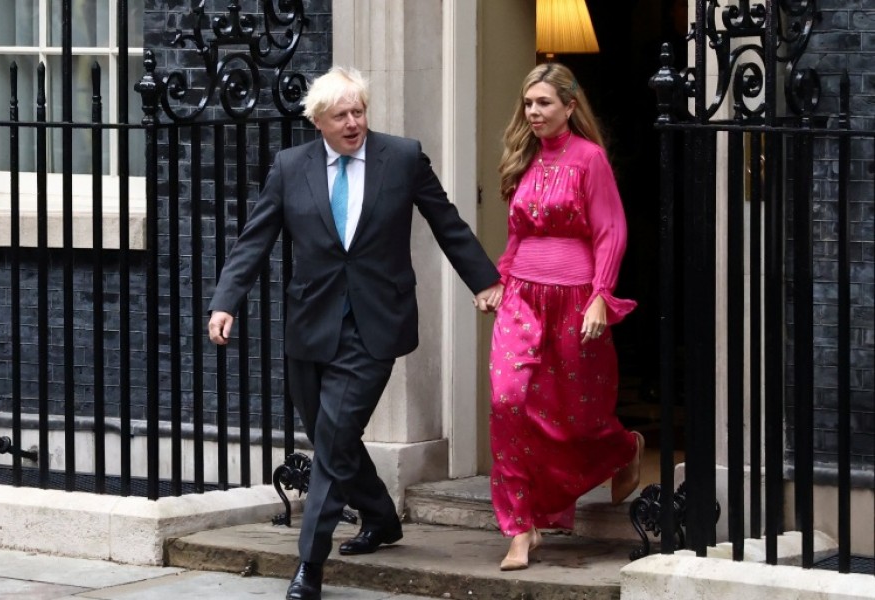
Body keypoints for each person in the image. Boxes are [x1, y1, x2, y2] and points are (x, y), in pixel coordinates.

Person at [207, 66, 502, 600]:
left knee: (334, 437)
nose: (353, 123)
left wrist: (483, 282)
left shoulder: (403, 157)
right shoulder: (290, 167)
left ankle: (309, 565)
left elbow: (447, 221)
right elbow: (256, 239)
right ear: (318, 121)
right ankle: (381, 516)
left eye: (359, 111)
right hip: (311, 325)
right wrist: (226, 301)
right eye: (341, 115)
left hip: (375, 326)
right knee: (329, 434)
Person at [487, 63, 643, 571]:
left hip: (575, 299)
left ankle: (624, 449)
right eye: (528, 104)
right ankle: (520, 526)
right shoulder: (524, 158)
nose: (533, 112)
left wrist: (601, 294)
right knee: (508, 400)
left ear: (569, 107)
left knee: (572, 417)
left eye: (544, 104)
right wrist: (500, 280)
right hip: (521, 299)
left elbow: (610, 231)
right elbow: (516, 235)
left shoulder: (589, 159)